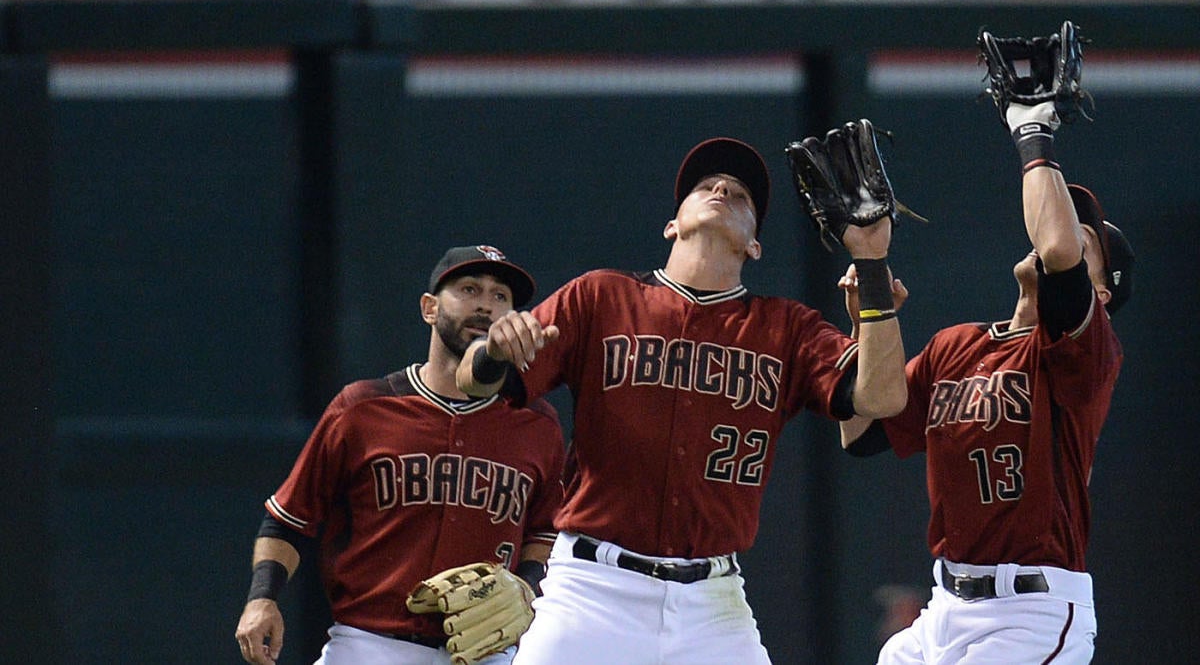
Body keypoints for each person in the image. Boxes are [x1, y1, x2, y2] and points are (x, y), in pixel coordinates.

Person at [455, 136, 909, 664]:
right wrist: (492, 351)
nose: (721, 190)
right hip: (593, 588)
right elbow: (474, 382)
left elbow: (881, 397)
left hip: (712, 603)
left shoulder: (785, 328)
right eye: (705, 186)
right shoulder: (602, 297)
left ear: (754, 245)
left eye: (740, 195)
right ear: (672, 224)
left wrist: (872, 261)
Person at [838, 96, 1135, 662]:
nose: (1057, 233)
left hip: (1032, 613)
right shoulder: (958, 344)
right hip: (945, 607)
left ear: (1099, 296)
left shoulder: (1085, 352)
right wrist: (870, 311)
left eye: (1080, 238)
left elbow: (1056, 252)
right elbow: (861, 432)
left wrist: (1033, 131)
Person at [234, 245, 566, 665]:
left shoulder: (536, 422)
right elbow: (288, 520)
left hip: (484, 651)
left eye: (501, 296)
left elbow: (546, 532)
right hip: (368, 644)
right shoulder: (363, 408)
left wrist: (526, 585)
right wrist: (262, 599)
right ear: (429, 308)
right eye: (469, 288)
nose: (485, 305)